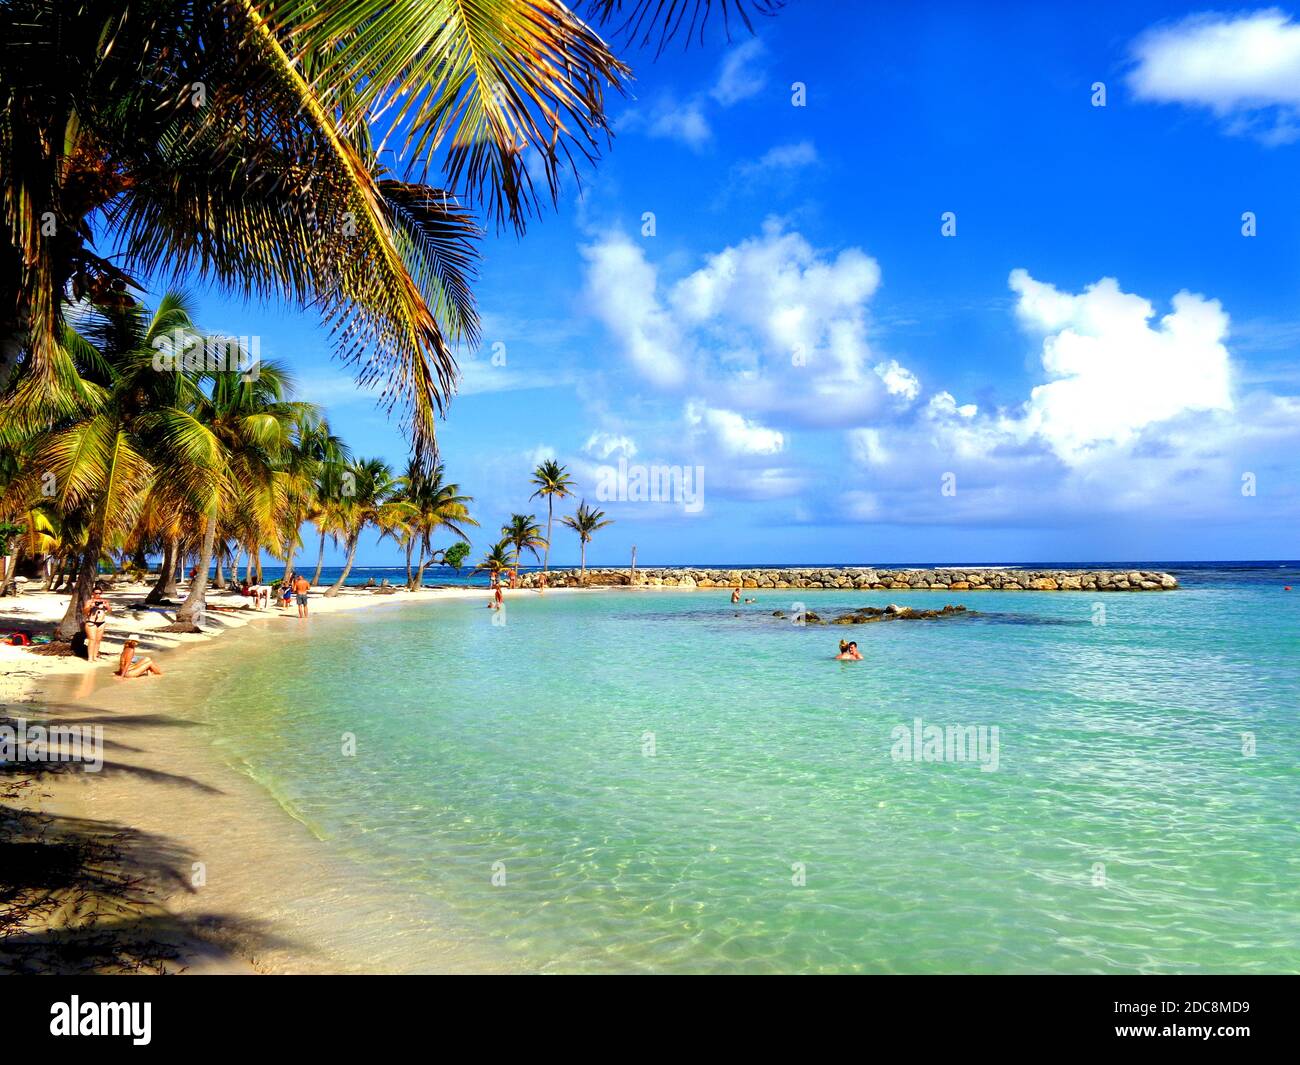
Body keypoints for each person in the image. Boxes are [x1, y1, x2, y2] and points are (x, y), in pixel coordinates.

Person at [82, 584, 111, 661]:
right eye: (96, 593)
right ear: (93, 593)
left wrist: (107, 606)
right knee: (92, 640)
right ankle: (90, 658)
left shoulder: (104, 601)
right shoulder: (90, 601)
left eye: (99, 593)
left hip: (101, 622)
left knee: (98, 640)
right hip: (91, 622)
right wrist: (91, 607)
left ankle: (95, 656)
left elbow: (109, 611)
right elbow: (84, 612)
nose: (98, 595)